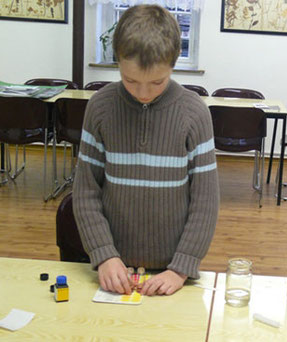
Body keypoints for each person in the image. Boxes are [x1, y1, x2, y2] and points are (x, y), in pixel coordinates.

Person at [73, 5, 219, 296]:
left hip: (173, 271)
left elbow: (205, 201)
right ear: (118, 63)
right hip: (114, 269)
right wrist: (103, 253)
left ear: (173, 65)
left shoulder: (194, 113)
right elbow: (86, 191)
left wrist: (182, 267)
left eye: (156, 82)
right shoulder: (100, 108)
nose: (143, 93)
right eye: (130, 80)